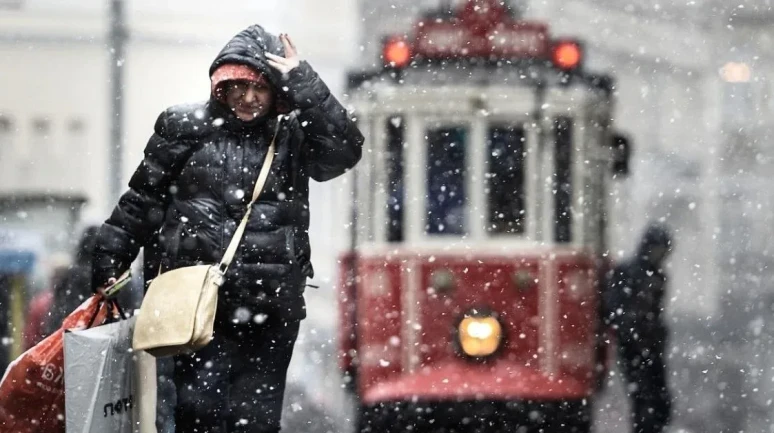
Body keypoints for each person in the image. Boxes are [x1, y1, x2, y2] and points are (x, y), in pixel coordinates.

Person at [91, 25, 363, 433]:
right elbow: (142, 201)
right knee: (197, 413)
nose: (249, 97)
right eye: (238, 86)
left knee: (256, 420)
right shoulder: (183, 126)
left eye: (260, 87)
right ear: (220, 85)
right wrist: (109, 259)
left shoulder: (289, 134)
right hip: (195, 305)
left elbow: (344, 150)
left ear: (276, 90)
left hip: (270, 307)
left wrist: (302, 77)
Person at [603, 223, 673, 433]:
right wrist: (633, 329)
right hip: (634, 346)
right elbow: (613, 308)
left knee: (658, 400)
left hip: (650, 345)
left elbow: (655, 311)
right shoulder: (629, 272)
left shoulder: (657, 275)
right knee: (644, 399)